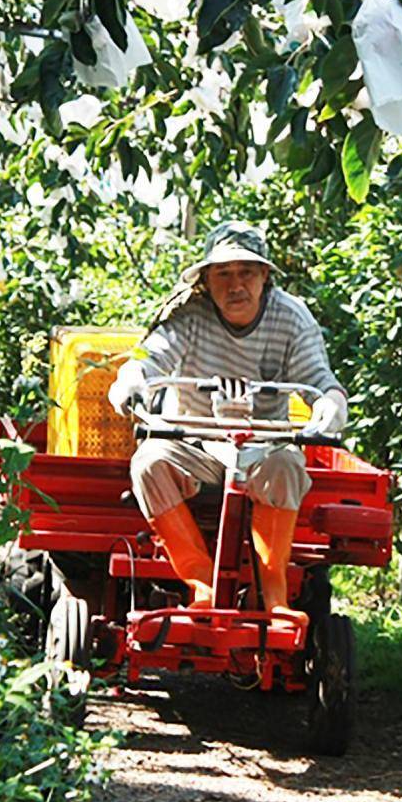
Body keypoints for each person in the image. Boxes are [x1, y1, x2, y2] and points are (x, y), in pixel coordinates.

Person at [106, 221, 349, 616]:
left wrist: (331, 406)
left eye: (247, 272)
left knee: (288, 463)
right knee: (149, 463)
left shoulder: (292, 317)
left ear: (265, 275)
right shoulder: (186, 315)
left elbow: (319, 381)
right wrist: (130, 381)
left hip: (261, 446)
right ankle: (200, 584)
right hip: (191, 443)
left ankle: (275, 596)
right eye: (223, 274)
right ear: (206, 279)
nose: (236, 285)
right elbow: (149, 359)